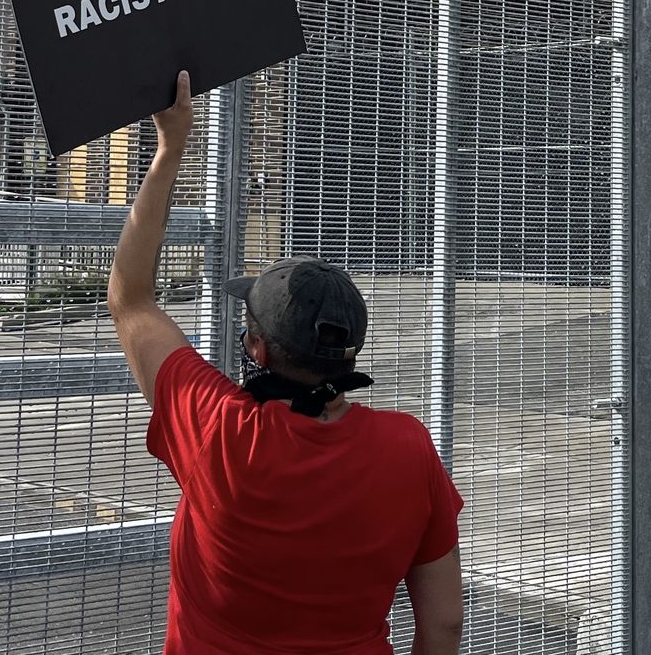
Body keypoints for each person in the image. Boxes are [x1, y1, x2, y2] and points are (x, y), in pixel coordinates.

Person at [108, 71, 466, 655]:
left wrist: (171, 147)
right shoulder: (408, 449)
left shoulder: (217, 428)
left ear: (257, 349)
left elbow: (131, 297)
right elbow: (444, 623)